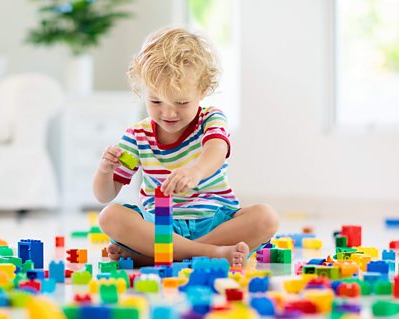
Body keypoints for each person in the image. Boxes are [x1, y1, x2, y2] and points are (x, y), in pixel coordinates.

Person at [93, 27, 279, 267]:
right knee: (110, 216)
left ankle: (162, 255)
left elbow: (217, 150)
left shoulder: (211, 118)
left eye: (181, 102)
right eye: (156, 101)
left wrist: (195, 171)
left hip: (214, 221)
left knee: (266, 217)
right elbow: (104, 195)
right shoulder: (137, 134)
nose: (168, 112)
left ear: (202, 91)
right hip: (160, 226)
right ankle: (208, 253)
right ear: (143, 92)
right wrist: (105, 170)